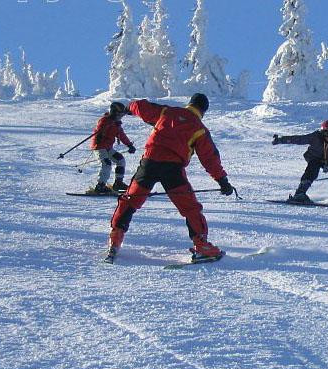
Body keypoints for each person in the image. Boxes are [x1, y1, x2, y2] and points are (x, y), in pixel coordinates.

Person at [106, 93, 235, 262]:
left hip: (149, 164)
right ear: (203, 111)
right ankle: (201, 245)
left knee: (130, 199)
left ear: (189, 103)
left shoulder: (166, 111)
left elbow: (141, 106)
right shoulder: (199, 128)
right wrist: (222, 181)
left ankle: (115, 237)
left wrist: (127, 109)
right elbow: (210, 158)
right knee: (190, 208)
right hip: (173, 170)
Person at [89, 102, 137, 193]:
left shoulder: (117, 124)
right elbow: (100, 128)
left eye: (122, 115)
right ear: (114, 112)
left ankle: (118, 183)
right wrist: (100, 134)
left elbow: (122, 135)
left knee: (120, 160)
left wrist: (129, 145)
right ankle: (100, 186)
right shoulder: (105, 120)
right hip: (99, 147)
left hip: (108, 148)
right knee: (107, 164)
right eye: (119, 114)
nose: (121, 117)